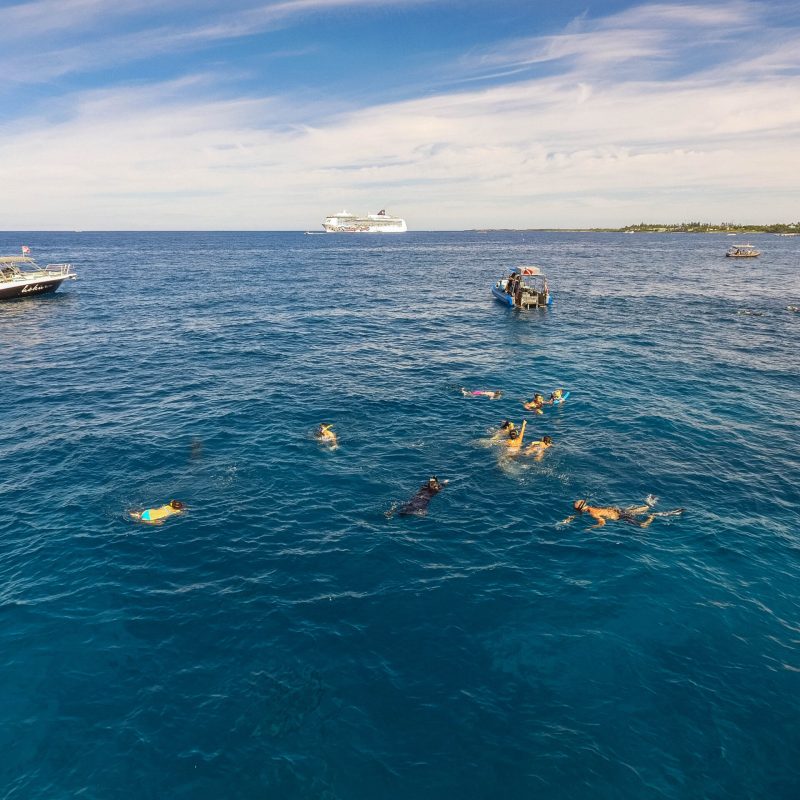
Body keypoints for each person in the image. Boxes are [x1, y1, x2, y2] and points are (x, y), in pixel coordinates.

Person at [561, 497, 683, 529]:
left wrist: (591, 528)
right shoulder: (591, 507)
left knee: (642, 525)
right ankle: (648, 505)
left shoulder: (592, 513)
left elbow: (602, 523)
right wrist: (571, 518)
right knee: (636, 510)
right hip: (618, 510)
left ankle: (651, 516)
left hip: (620, 516)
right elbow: (581, 513)